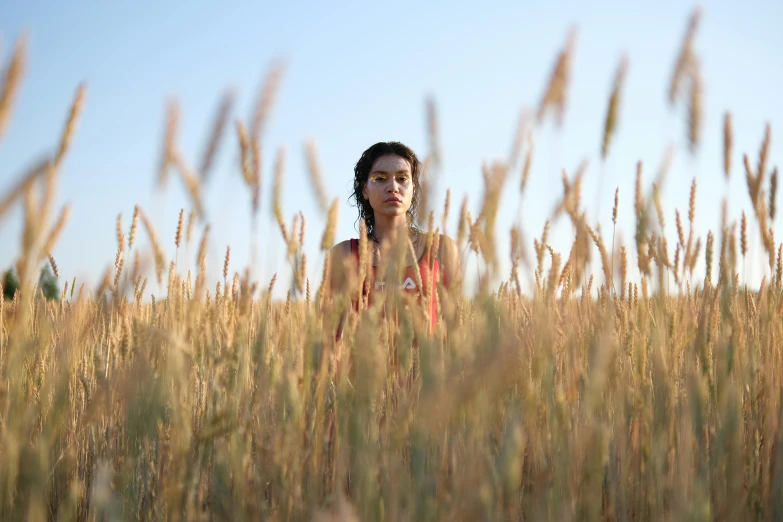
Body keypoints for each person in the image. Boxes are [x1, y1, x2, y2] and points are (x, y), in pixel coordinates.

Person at [327, 141, 460, 341]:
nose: (393, 187)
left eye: (402, 178)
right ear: (365, 190)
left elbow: (455, 332)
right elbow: (329, 339)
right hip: (362, 372)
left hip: (424, 372)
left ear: (413, 188)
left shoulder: (441, 249)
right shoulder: (344, 254)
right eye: (380, 178)